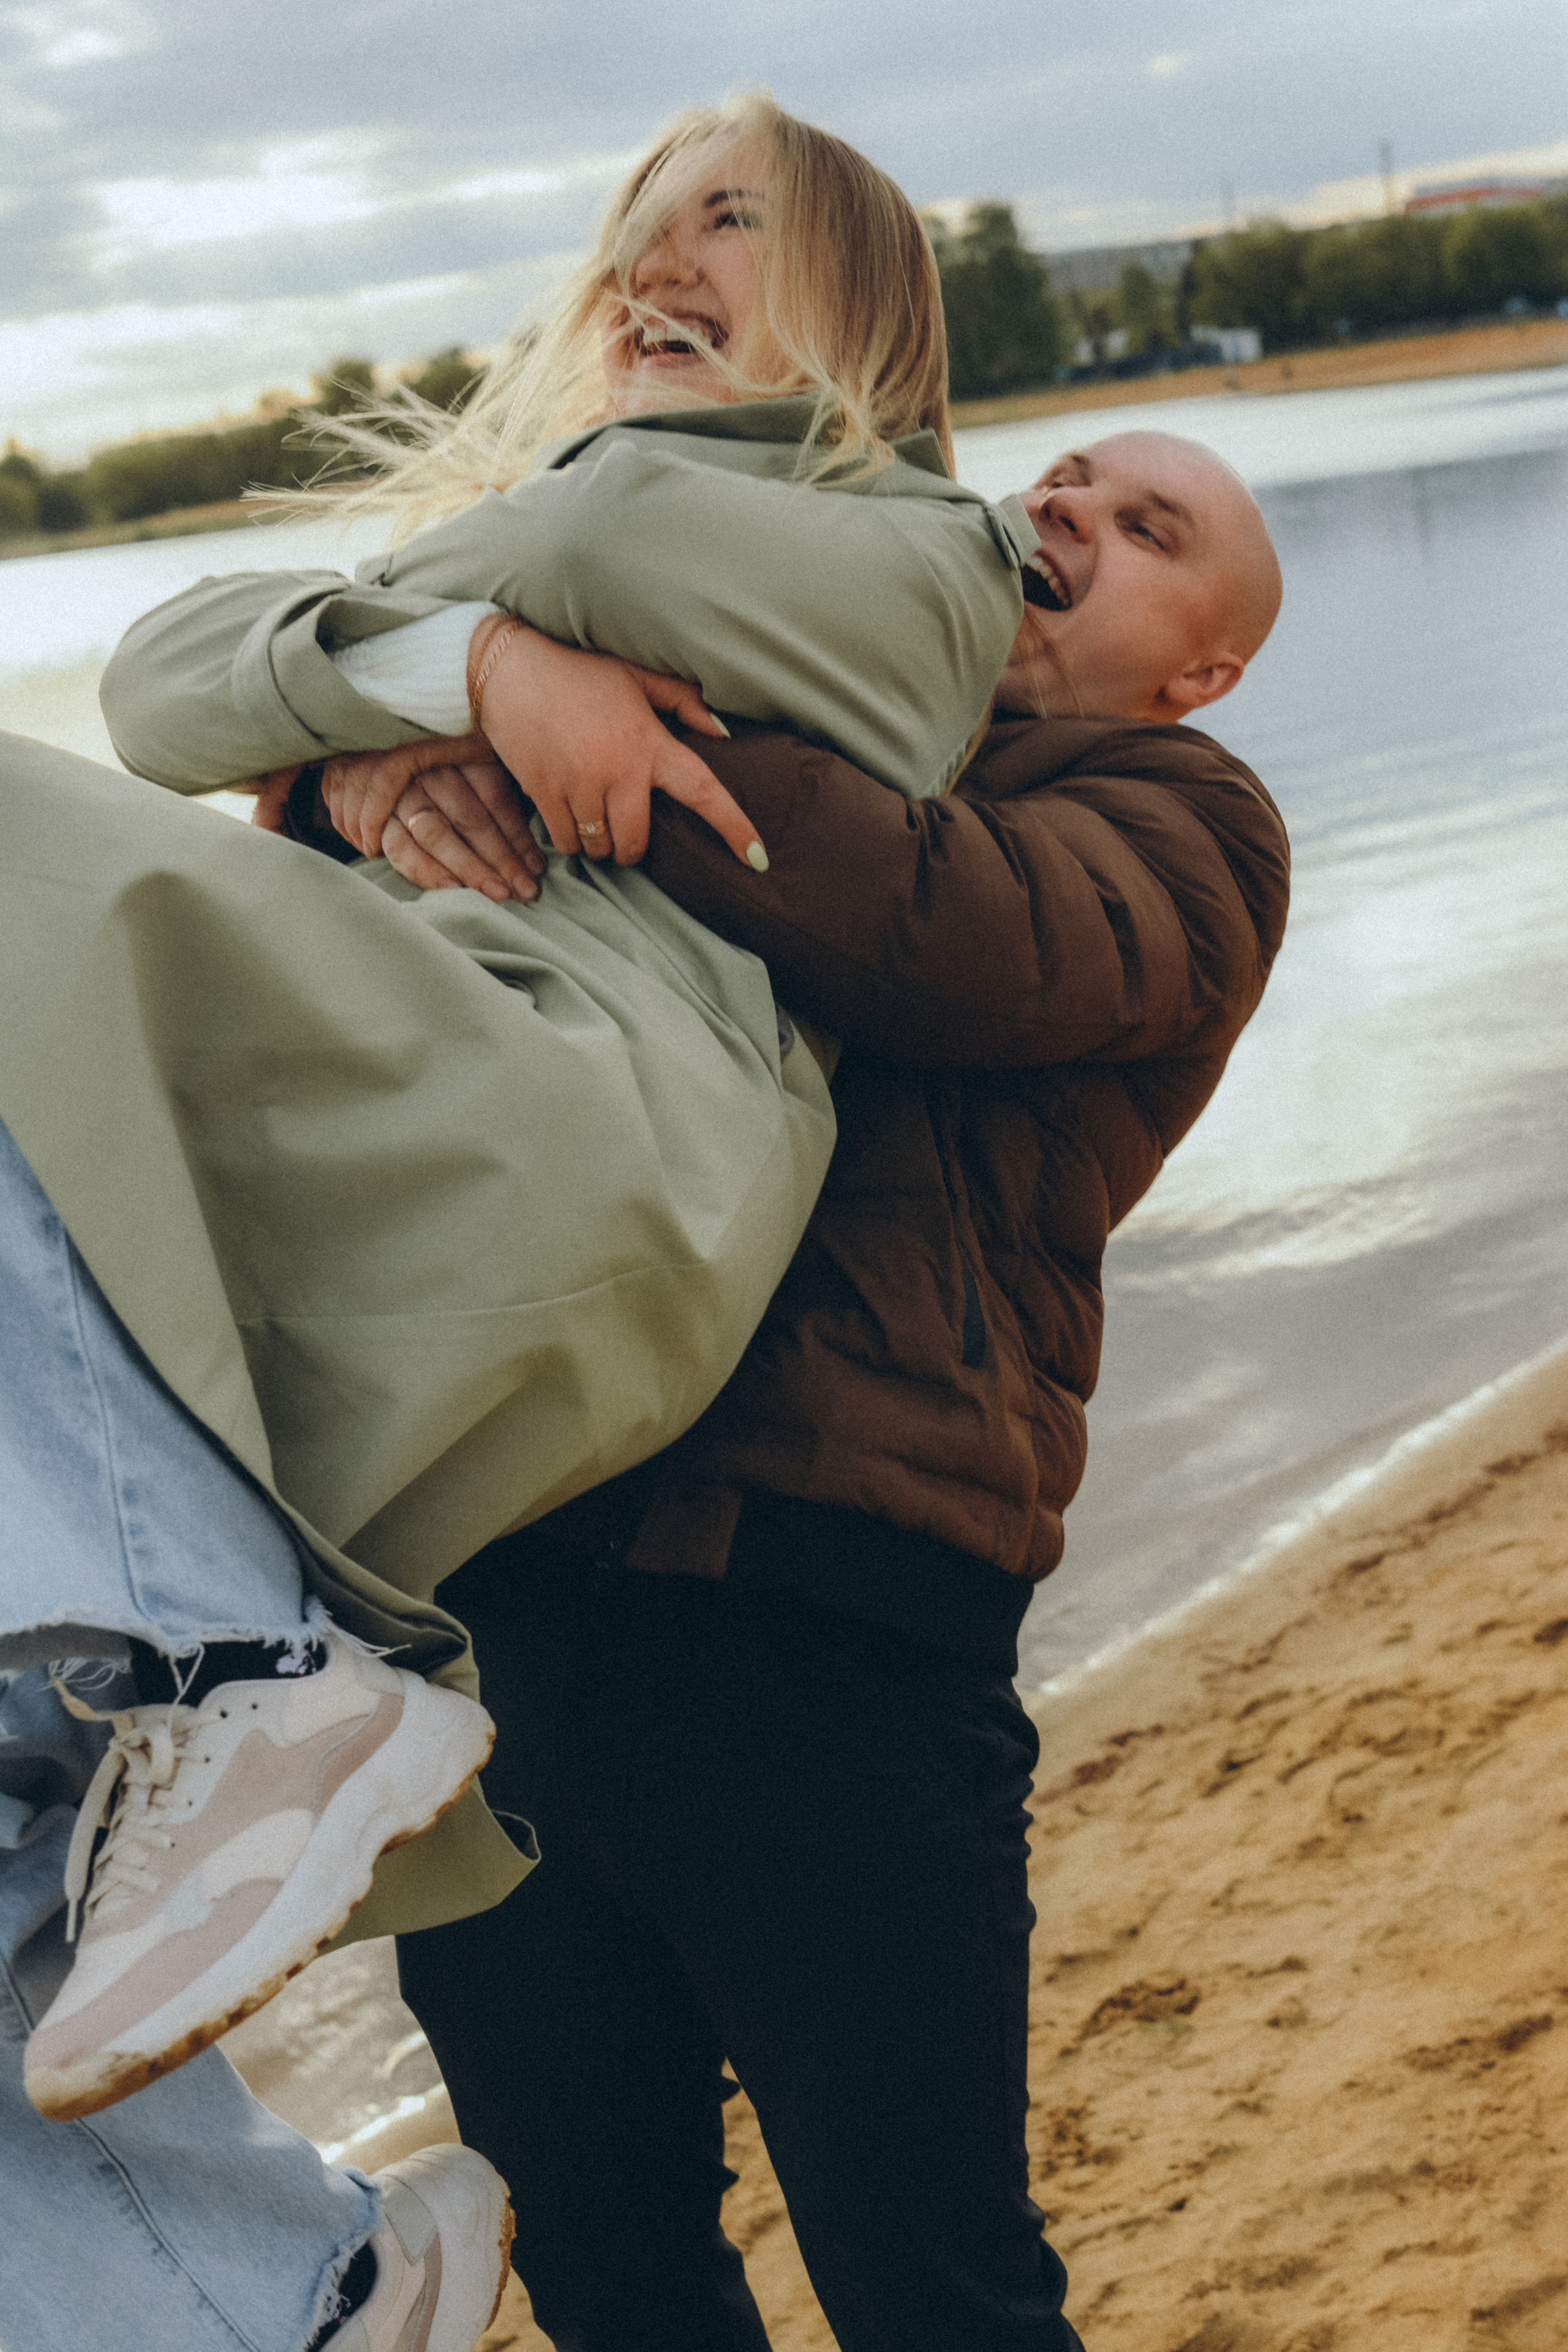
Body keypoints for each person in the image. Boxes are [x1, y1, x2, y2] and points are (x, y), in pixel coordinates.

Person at [85, 418, 1289, 2352]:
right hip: (497, 1609)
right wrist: (393, 758)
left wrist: (557, 716)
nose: (1068, 513)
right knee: (607, 2265)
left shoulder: (1189, 822)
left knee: (937, 2286)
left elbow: (938, 928)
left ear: (1203, 663)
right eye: (1063, 480)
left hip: (830, 1619)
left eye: (1147, 530)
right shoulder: (729, 684)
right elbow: (314, 883)